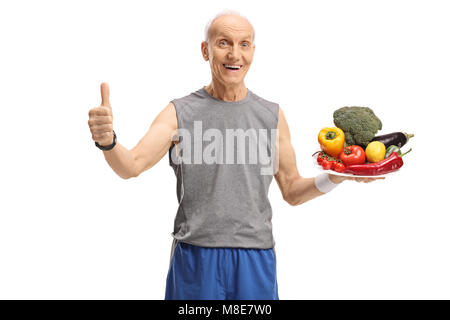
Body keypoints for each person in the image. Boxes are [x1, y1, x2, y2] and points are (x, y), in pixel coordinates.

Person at [87, 10, 383, 300]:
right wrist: (108, 142)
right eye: (223, 43)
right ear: (206, 50)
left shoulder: (272, 116)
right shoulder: (179, 113)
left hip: (255, 259)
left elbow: (292, 191)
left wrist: (336, 177)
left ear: (253, 51)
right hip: (195, 256)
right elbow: (132, 166)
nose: (234, 54)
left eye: (244, 44)